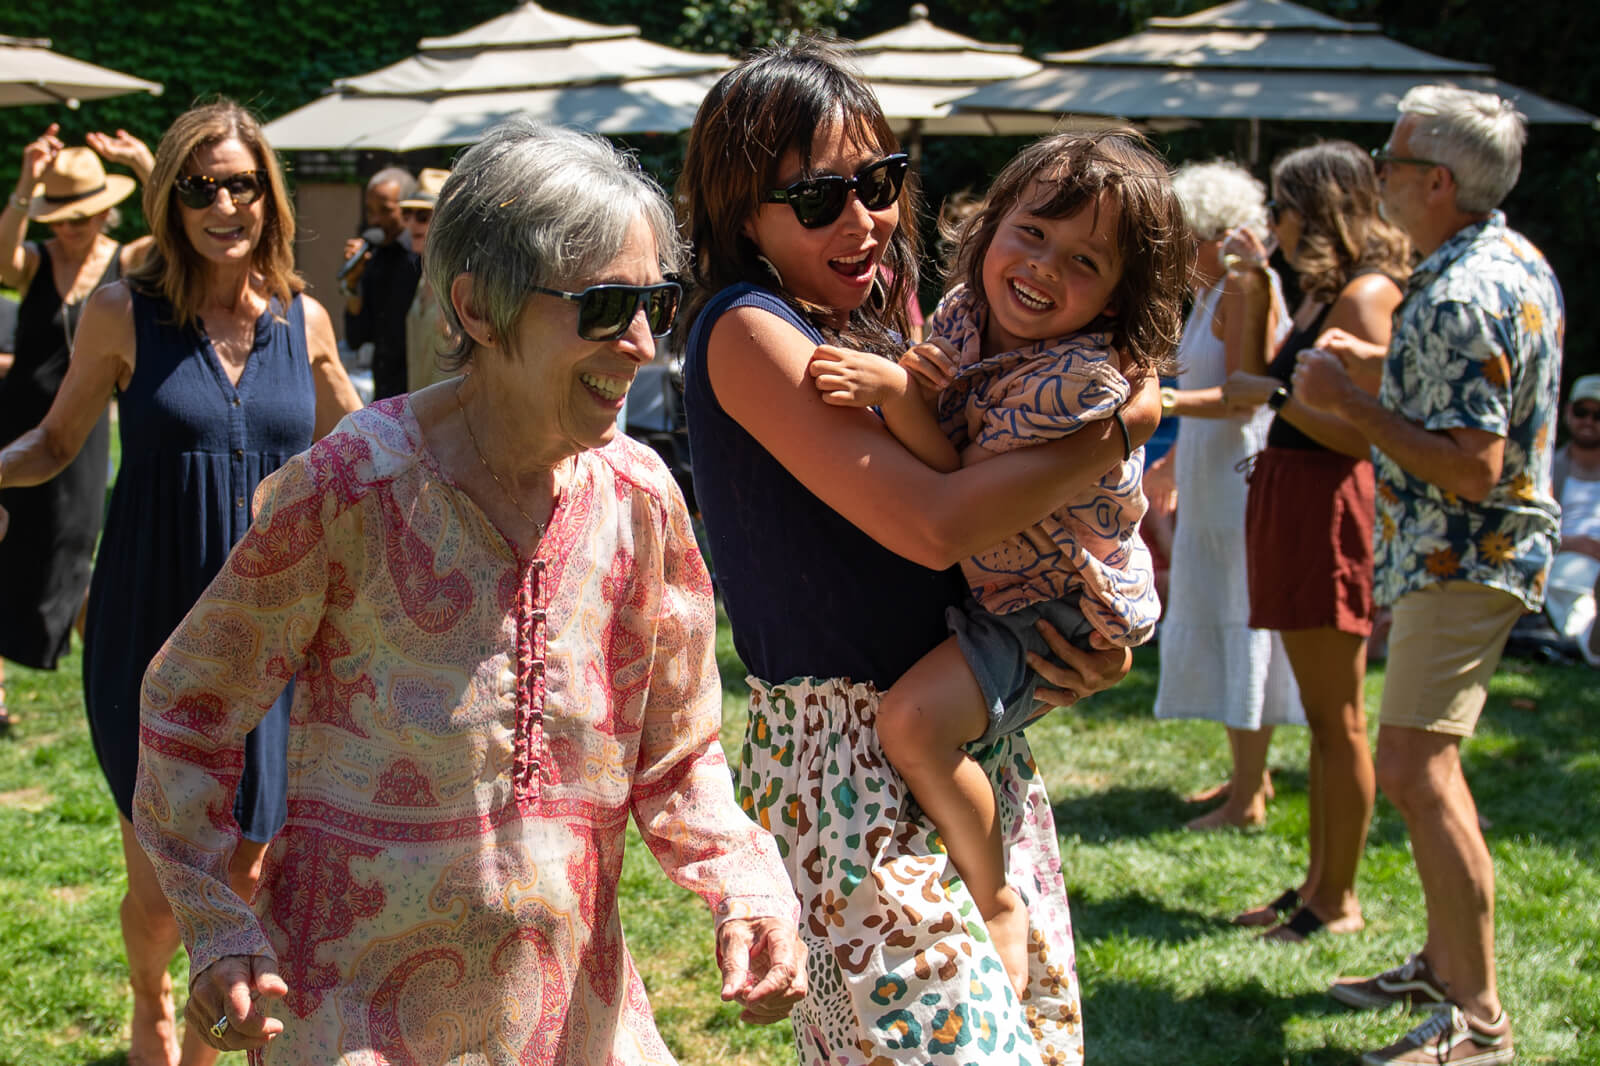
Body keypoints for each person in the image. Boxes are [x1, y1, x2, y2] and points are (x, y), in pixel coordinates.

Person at [130, 118, 805, 1063]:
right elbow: (188, 705)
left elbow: (680, 751)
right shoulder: (350, 488)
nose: (646, 345)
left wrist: (746, 881)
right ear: (479, 309)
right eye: (607, 307)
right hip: (348, 1016)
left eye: (656, 299)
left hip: (576, 1014)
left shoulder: (642, 499)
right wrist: (215, 919)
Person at [678, 39, 1157, 1066]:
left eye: (879, 184)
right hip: (844, 764)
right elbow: (936, 522)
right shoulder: (747, 329)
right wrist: (1109, 438)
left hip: (952, 746)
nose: (863, 220)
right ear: (739, 213)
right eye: (818, 200)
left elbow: (974, 538)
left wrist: (1061, 651)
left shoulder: (875, 324)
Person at [0, 100, 362, 1066]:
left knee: (247, 865)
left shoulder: (304, 320)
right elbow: (54, 442)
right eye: (201, 186)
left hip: (278, 639)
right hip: (152, 628)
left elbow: (370, 449)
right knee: (161, 883)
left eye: (241, 182)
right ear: (170, 199)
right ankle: (151, 995)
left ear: (267, 196)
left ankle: (202, 1048)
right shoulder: (125, 313)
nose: (223, 203)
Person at [804, 129, 1189, 998]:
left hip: (1051, 601)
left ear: (1122, 297)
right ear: (991, 224)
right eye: (1033, 232)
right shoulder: (966, 317)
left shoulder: (1085, 386)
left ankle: (997, 897)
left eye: (1086, 262)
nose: (1045, 269)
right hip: (1003, 580)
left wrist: (902, 392)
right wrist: (919, 385)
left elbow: (958, 488)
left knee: (914, 727)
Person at [1294, 85, 1562, 1066]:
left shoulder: (1452, 292)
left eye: (1391, 159)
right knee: (1419, 764)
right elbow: (1475, 404)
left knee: (1414, 768)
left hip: (1463, 552)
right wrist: (1383, 362)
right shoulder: (1504, 260)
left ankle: (1478, 1018)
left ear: (1437, 183)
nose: (1377, 174)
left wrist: (1346, 400)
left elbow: (1468, 463)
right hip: (1472, 556)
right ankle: (1443, 968)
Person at [1221, 140, 1410, 943]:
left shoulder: (1368, 297)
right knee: (1323, 724)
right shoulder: (1318, 294)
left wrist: (1276, 396)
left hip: (1329, 501)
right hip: (1290, 496)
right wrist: (1252, 279)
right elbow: (1244, 379)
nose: (1275, 223)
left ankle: (1337, 902)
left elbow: (1364, 434)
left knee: (1340, 723)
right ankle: (1313, 886)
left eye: (1282, 208)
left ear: (1318, 209)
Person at [1153, 160, 1304, 832]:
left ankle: (1248, 800)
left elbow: (1247, 397)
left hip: (1242, 479)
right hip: (1215, 476)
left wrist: (1162, 402)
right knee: (1224, 613)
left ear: (1215, 236)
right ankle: (1250, 774)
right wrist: (1176, 461)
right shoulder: (1220, 291)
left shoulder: (1245, 287)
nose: (1177, 257)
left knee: (1242, 619)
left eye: (1185, 242)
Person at [0, 126, 154, 733]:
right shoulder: (35, 261)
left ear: (102, 210)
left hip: (83, 435)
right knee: (5, 550)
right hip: (14, 428)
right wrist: (25, 181)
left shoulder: (126, 258)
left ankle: (109, 675)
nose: (68, 226)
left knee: (74, 554)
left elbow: (176, 237)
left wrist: (145, 165)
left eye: (80, 215)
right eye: (59, 216)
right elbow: (2, 257)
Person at [341, 166, 420, 400]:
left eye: (385, 211)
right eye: (369, 211)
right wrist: (353, 284)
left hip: (421, 391)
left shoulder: (423, 259)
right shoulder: (374, 257)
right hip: (385, 395)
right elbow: (356, 337)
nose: (374, 220)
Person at [1542, 373, 1600, 638]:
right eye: (1582, 411)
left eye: (1598, 416)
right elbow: (1532, 531)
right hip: (1560, 563)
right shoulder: (1546, 469)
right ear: (1567, 412)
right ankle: (1588, 639)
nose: (1589, 421)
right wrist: (1579, 545)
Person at [400, 167, 452, 392]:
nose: (411, 224)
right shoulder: (422, 276)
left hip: (453, 420)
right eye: (407, 214)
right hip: (420, 418)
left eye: (422, 216)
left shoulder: (463, 279)